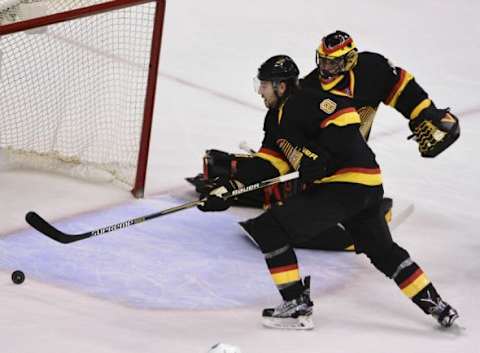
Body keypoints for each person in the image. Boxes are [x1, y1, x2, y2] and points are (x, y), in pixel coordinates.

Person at [197, 55, 459, 330]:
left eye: (263, 85)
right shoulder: (275, 120)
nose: (260, 91)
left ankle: (297, 305)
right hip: (361, 188)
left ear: (281, 86)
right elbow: (269, 166)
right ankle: (438, 306)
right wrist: (228, 189)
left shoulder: (310, 99)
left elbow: (345, 117)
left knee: (268, 229)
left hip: (346, 186)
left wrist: (320, 156)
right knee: (382, 251)